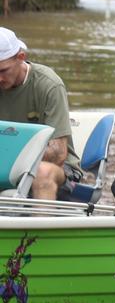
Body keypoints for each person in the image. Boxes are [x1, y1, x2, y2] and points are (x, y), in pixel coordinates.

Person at [0, 28, 81, 201]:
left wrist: (12, 160)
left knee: (43, 173)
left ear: (20, 58)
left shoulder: (48, 85)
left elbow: (58, 153)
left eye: (3, 71)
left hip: (56, 169)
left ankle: (40, 226)